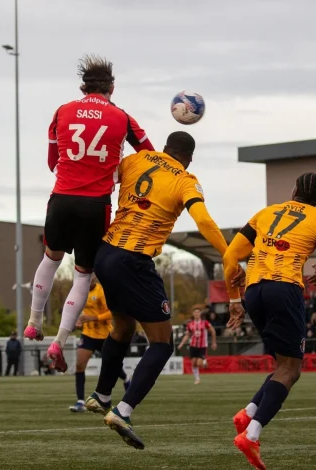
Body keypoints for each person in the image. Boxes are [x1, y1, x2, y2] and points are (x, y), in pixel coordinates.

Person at [83, 131, 242, 449]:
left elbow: (98, 182)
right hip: (134, 261)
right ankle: (123, 411)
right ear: (189, 156)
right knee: (162, 342)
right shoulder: (185, 179)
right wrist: (229, 254)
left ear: (165, 147)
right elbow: (204, 222)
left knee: (123, 327)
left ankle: (101, 395)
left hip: (105, 253)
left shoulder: (135, 159)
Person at [25, 55, 155, 373]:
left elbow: (52, 163)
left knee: (51, 258)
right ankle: (59, 341)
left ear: (83, 86)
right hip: (96, 204)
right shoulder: (122, 118)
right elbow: (150, 156)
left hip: (62, 198)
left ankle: (33, 321)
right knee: (83, 274)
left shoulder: (62, 111)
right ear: (112, 87)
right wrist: (116, 173)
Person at [223, 173, 316, 469]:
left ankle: (248, 413)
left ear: (294, 190)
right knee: (291, 369)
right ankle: (251, 434)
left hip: (253, 291)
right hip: (285, 288)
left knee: (281, 364)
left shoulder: (266, 212)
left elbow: (230, 255)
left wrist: (234, 299)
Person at [69, 275, 130, 413]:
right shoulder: (80, 291)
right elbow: (75, 308)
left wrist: (93, 318)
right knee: (79, 365)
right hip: (88, 334)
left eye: (91, 277)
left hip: (104, 335)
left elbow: (112, 313)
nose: (88, 279)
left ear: (95, 278)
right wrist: (77, 321)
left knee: (111, 365)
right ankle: (80, 401)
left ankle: (126, 378)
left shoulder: (102, 291)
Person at [177, 307, 217, 384]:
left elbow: (213, 331)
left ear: (200, 314)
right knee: (193, 363)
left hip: (202, 346)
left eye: (198, 312)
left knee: (199, 363)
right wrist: (181, 344)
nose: (196, 314)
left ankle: (204, 361)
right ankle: (197, 379)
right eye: (195, 312)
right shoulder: (190, 324)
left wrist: (214, 342)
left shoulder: (205, 323)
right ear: (193, 314)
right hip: (193, 346)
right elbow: (187, 335)